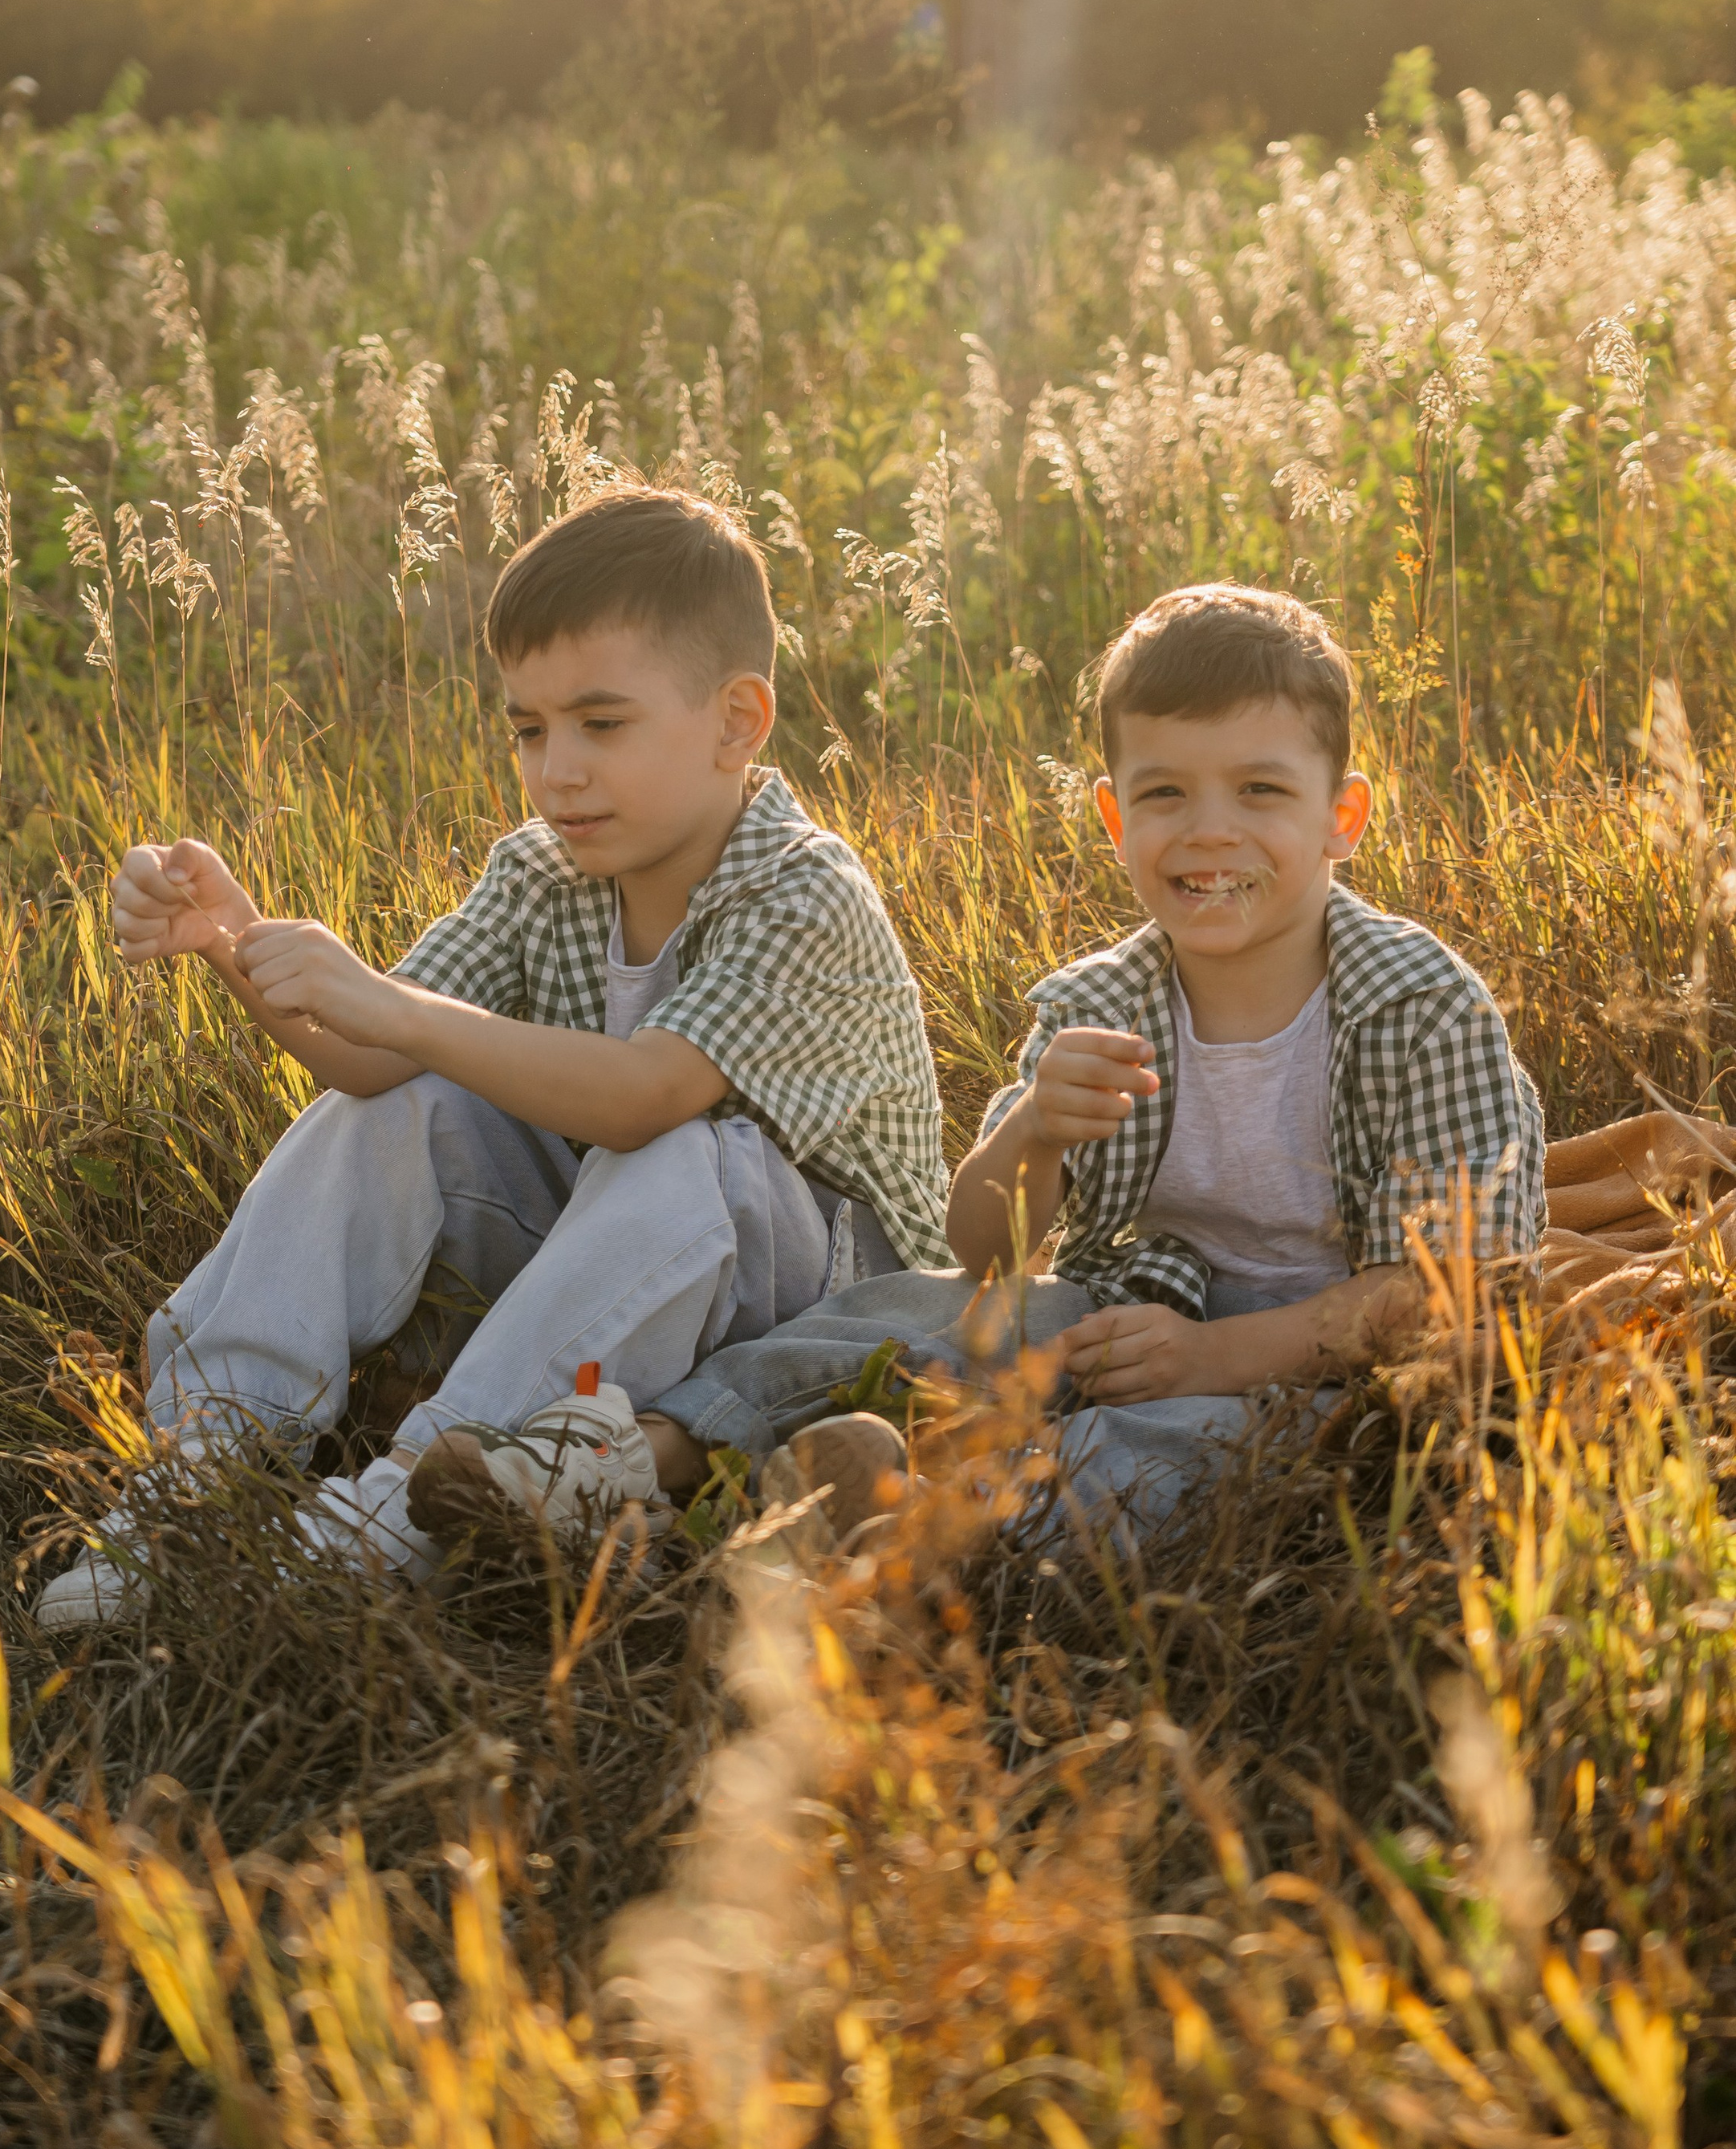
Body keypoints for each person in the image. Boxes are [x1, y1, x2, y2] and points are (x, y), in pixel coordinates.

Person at [37, 485, 948, 1627]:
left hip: (815, 1314)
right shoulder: (543, 872)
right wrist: (235, 942)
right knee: (400, 1110)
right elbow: (369, 1062)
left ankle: (393, 1516)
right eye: (529, 728)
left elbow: (643, 1099)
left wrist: (395, 1010)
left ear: (737, 722)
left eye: (601, 725)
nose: (557, 768)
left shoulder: (804, 889)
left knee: (688, 1149)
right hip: (612, 1271)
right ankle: (198, 1469)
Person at [644, 582, 1547, 1547]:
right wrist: (1032, 1128)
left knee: (1169, 1445)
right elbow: (988, 1250)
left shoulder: (1417, 1008)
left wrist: (1211, 1357)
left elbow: (1452, 1294)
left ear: (1342, 815)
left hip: (1312, 1363)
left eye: (1260, 790)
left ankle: (912, 1537)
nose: (1208, 829)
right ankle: (636, 1462)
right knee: (902, 1310)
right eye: (1166, 793)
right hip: (1131, 1313)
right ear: (1116, 819)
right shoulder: (1100, 1003)